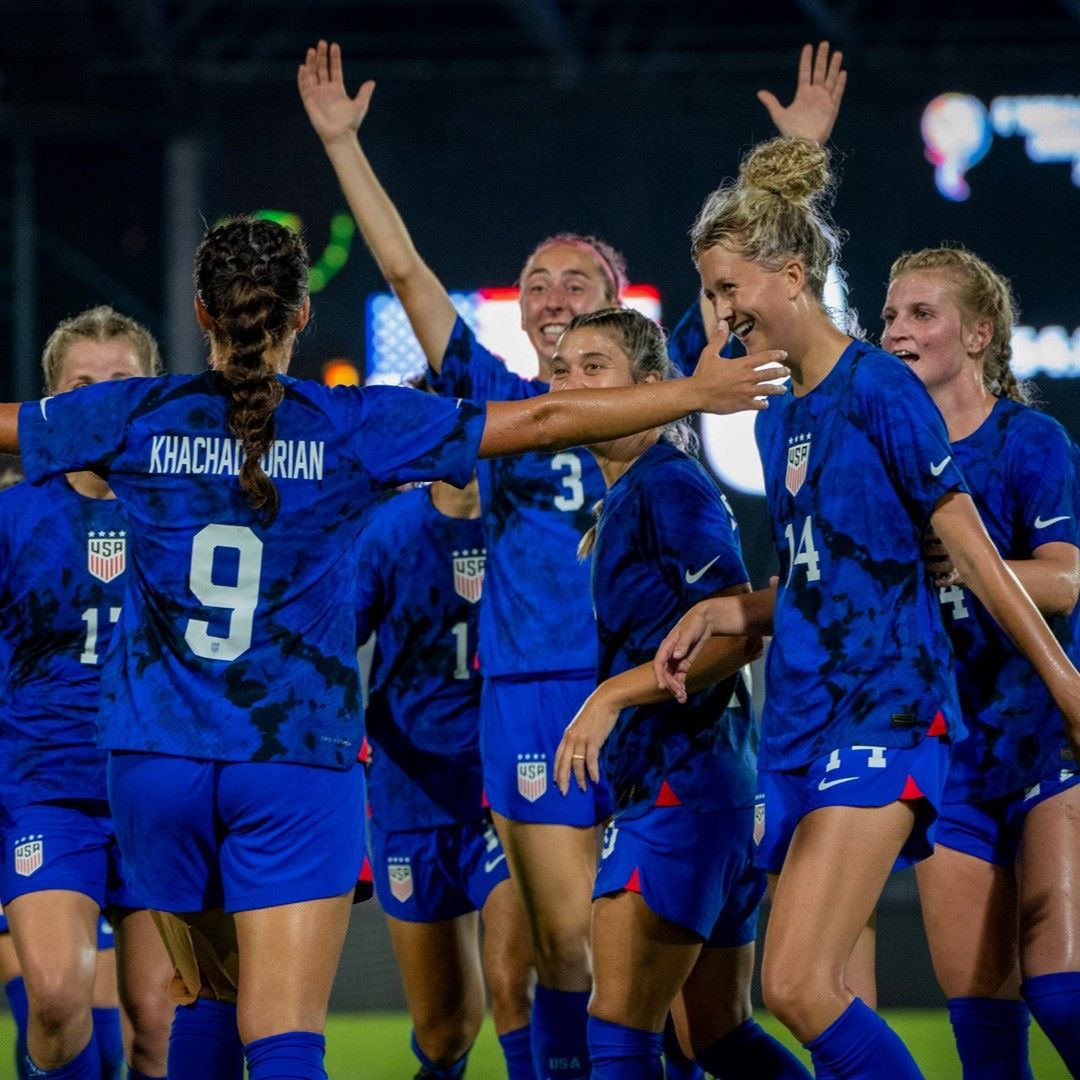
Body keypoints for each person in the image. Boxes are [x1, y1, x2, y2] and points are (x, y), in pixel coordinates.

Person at [0, 214, 785, 1080]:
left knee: (206, 1008)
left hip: (154, 760)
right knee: (285, 1034)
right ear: (301, 318)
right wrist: (693, 395)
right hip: (290, 760)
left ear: (201, 313)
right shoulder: (351, 423)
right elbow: (548, 416)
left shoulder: (129, 412)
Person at [298, 40, 843, 1080]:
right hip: (531, 701)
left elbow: (734, 285)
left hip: (646, 698)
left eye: (576, 283)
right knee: (560, 959)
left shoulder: (663, 393)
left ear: (617, 316)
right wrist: (340, 145)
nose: (551, 298)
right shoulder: (507, 411)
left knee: (645, 983)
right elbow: (407, 272)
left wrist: (792, 156)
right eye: (537, 284)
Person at [652, 136, 1080, 1080]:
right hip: (800, 720)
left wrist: (1068, 681)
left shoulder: (879, 388)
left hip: (888, 707)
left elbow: (967, 549)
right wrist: (739, 614)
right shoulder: (781, 412)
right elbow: (830, 574)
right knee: (794, 994)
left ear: (796, 275)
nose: (721, 314)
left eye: (731, 289)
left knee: (802, 984)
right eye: (712, 294)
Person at [546, 308, 810, 1080]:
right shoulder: (631, 492)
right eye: (563, 370)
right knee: (714, 1035)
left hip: (681, 792)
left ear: (653, 389)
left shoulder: (668, 486)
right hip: (704, 790)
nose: (572, 383)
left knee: (619, 1031)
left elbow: (736, 632)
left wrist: (612, 698)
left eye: (596, 366)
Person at [881, 247, 1080, 1077]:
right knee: (984, 1039)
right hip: (948, 757)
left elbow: (1066, 580)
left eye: (921, 314)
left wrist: (963, 558)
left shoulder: (1029, 440)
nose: (897, 332)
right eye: (889, 316)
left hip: (1044, 739)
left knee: (1062, 994)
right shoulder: (881, 459)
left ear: (980, 332)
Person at [0, 306, 176, 1080]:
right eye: (83, 383)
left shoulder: (186, 513)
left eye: (123, 381)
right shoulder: (14, 514)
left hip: (160, 790)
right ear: (50, 402)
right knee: (60, 998)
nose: (103, 397)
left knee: (160, 1031)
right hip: (46, 791)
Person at [354, 473, 534, 1080]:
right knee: (445, 1030)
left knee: (515, 988)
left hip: (508, 788)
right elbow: (328, 645)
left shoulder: (528, 522)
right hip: (411, 794)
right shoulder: (389, 531)